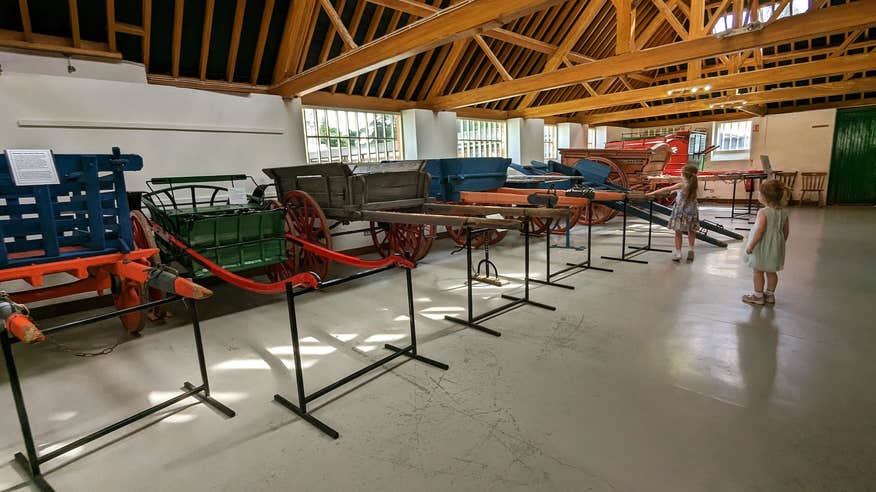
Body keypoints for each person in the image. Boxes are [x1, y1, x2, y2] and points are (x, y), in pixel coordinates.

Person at [742, 179, 790, 305]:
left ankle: (758, 296)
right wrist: (781, 243)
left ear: (765, 197)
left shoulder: (763, 212)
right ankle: (770, 295)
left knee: (758, 270)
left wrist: (750, 245)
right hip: (776, 246)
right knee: (771, 271)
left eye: (759, 193)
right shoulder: (784, 212)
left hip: (762, 245)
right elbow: (786, 231)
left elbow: (760, 230)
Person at [647, 164, 700, 262]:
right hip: (692, 211)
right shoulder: (694, 184)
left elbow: (666, 189)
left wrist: (650, 194)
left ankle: (678, 253)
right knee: (691, 231)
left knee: (678, 232)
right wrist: (676, 192)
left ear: (684, 175)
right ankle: (691, 250)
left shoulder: (682, 185)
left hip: (680, 211)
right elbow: (685, 193)